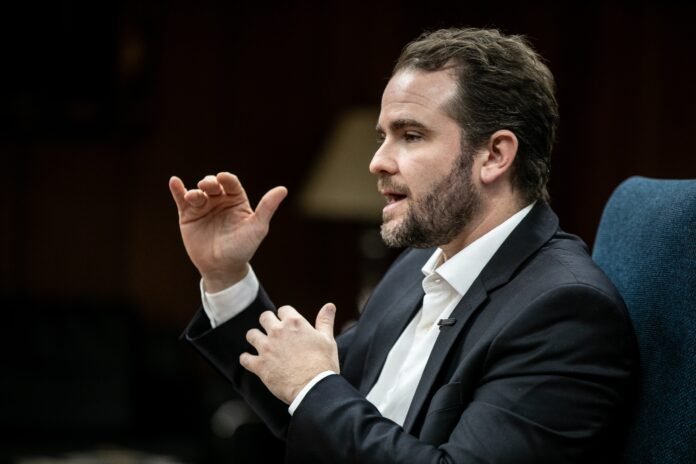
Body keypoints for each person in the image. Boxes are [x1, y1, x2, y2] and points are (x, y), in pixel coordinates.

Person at [169, 28, 637, 463]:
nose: (377, 161)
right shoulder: (415, 267)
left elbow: (318, 394)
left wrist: (313, 384)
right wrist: (226, 276)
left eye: (411, 135)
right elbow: (312, 409)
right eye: (383, 136)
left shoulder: (565, 311)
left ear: (495, 155)